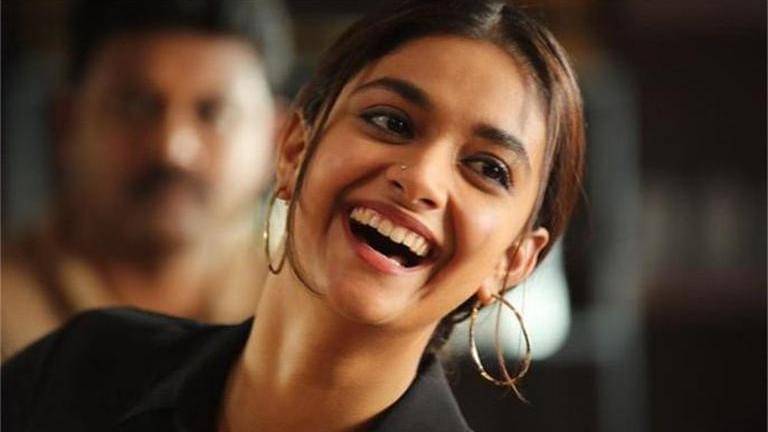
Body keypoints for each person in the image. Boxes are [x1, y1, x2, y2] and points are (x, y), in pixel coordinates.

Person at [2, 1, 585, 431]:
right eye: (391, 122)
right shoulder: (81, 370)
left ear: (514, 261)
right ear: (293, 149)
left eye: (487, 168)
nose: (421, 179)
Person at [1, 0, 293, 359]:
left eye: (214, 113)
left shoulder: (315, 312)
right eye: (135, 106)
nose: (172, 148)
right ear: (65, 123)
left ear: (280, 140)